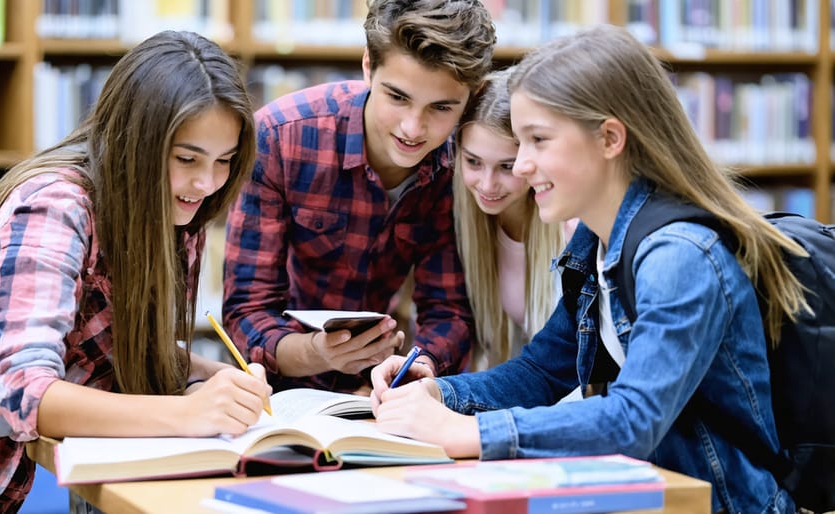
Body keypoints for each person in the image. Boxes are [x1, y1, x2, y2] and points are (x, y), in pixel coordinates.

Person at [371, 24, 807, 514]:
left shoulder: (680, 256)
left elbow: (632, 420)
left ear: (609, 139)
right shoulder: (594, 243)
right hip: (644, 496)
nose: (520, 167)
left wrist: (467, 431)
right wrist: (439, 393)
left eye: (537, 140)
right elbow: (542, 371)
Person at [0, 31, 272, 513]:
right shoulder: (54, 208)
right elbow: (20, 397)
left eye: (225, 161)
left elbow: (104, 347)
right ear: (137, 142)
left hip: (64, 479)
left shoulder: (178, 208)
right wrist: (188, 412)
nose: (206, 183)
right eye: (186, 158)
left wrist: (210, 373)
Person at [222, 0, 496, 394]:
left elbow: (450, 310)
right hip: (280, 389)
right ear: (368, 66)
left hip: (390, 389)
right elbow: (248, 309)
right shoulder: (280, 137)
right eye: (397, 97)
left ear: (470, 97)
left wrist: (416, 369)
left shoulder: (466, 165)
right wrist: (321, 353)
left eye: (440, 107)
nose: (412, 128)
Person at [452, 66, 568, 372]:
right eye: (473, 162)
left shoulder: (570, 228)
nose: (488, 185)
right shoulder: (463, 223)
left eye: (507, 166)